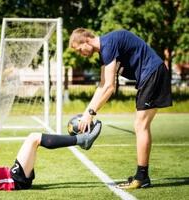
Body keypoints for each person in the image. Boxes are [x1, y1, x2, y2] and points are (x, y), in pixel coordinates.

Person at [69, 28, 172, 189]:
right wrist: (86, 113)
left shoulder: (108, 44)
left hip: (153, 73)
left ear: (87, 40)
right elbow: (102, 84)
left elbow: (110, 87)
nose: (80, 53)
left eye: (79, 49)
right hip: (150, 75)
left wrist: (91, 113)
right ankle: (142, 176)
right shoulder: (105, 51)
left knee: (140, 125)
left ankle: (142, 177)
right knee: (140, 125)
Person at [0, 118, 102, 191]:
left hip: (14, 176)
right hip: (15, 180)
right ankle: (82, 140)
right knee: (33, 138)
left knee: (34, 138)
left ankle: (81, 140)